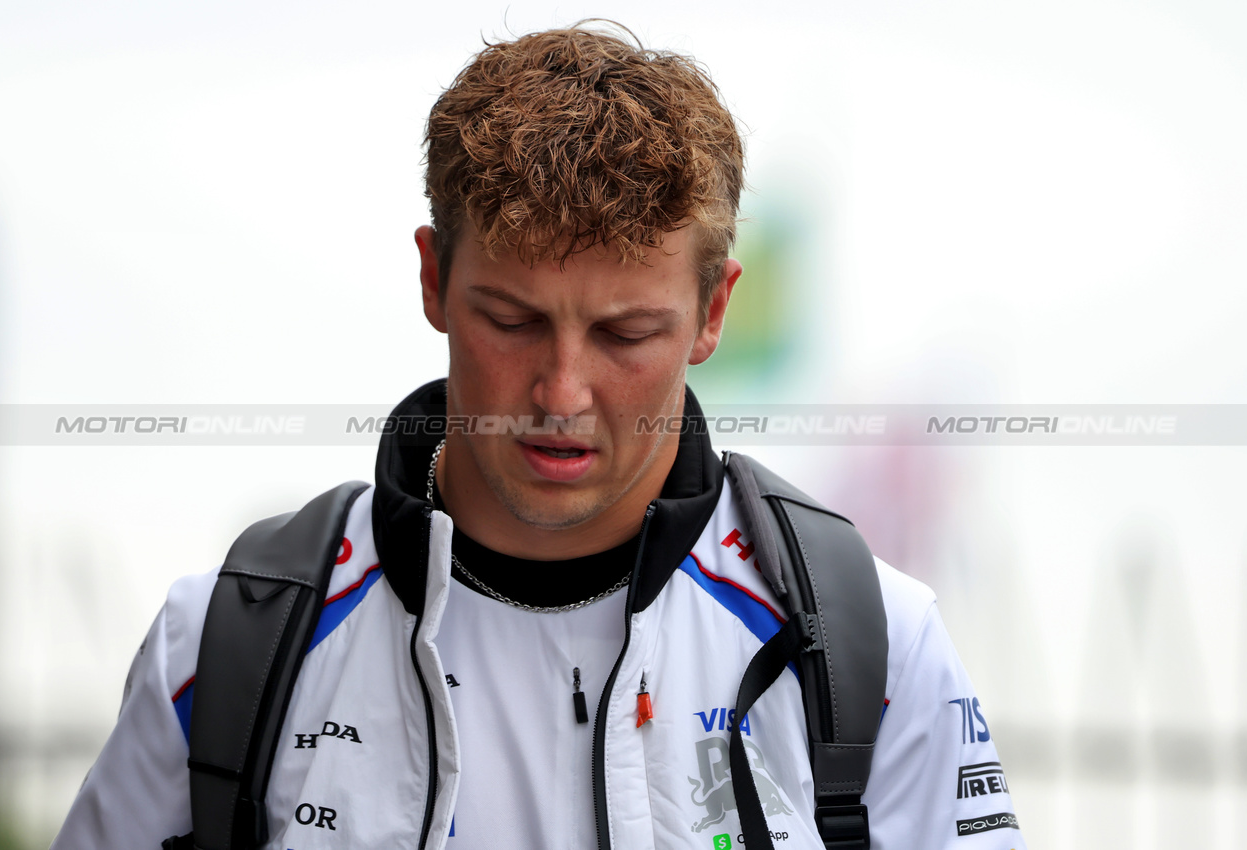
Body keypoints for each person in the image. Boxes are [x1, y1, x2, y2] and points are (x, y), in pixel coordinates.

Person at [52, 22, 1026, 850]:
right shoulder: (221, 645)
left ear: (712, 311)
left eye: (624, 333)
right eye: (511, 319)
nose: (561, 392)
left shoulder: (880, 649)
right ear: (432, 280)